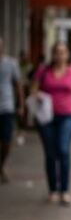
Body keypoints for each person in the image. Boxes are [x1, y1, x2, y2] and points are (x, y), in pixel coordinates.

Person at [31, 42, 71, 206]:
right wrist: (37, 95)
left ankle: (64, 190)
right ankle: (53, 189)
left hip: (67, 116)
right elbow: (33, 89)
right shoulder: (43, 71)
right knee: (50, 153)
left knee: (63, 149)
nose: (60, 55)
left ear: (68, 54)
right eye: (57, 52)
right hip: (47, 118)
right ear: (52, 54)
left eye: (63, 52)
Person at [0, 38, 26, 183]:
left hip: (6, 107)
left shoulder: (11, 63)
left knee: (6, 141)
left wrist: (21, 105)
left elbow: (18, 85)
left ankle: (1, 165)